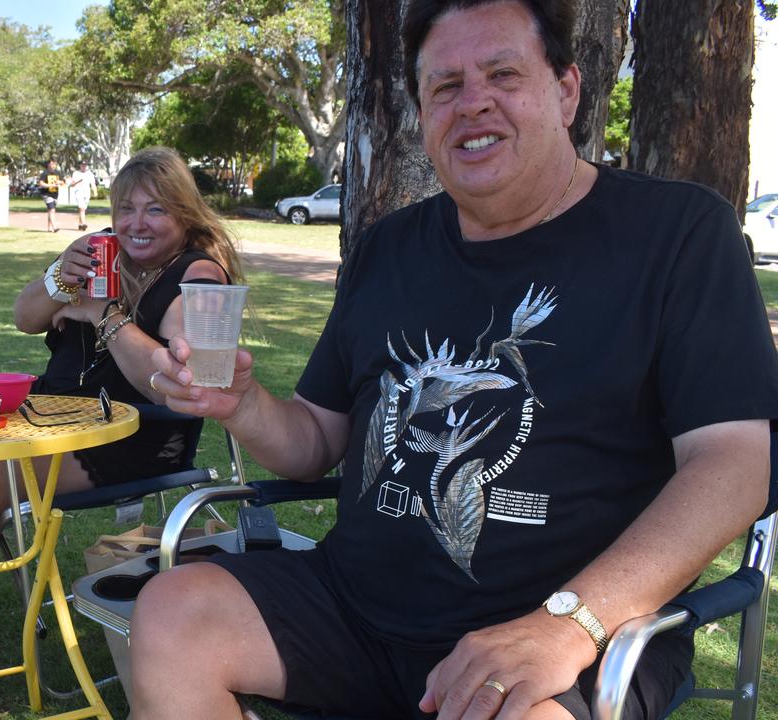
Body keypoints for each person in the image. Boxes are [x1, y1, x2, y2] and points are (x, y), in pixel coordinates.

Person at [132, 1, 778, 719]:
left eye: (503, 74)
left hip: (564, 626)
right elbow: (314, 442)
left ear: (566, 91)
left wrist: (570, 623)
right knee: (174, 614)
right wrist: (243, 406)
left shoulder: (678, 233)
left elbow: (734, 463)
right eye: (444, 87)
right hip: (356, 609)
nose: (473, 104)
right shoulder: (389, 247)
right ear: (422, 115)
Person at [0, 146, 246, 685]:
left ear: (185, 214)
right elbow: (25, 317)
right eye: (126, 209)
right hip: (53, 418)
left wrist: (100, 313)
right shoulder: (99, 255)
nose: (137, 224)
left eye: (156, 209)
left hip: (131, 433)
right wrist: (58, 278)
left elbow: (165, 383)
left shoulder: (197, 276)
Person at [69, 160, 98, 231]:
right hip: (78, 192)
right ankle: (84, 223)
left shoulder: (89, 174)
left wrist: (95, 192)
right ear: (80, 165)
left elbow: (93, 184)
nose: (84, 166)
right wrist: (77, 182)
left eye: (85, 165)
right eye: (82, 165)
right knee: (82, 208)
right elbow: (72, 184)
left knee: (83, 209)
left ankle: (80, 224)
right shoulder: (76, 173)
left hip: (86, 193)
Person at [38, 159, 64, 232]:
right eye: (52, 164)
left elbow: (63, 182)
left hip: (55, 194)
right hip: (46, 194)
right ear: (48, 164)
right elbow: (41, 183)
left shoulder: (58, 173)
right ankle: (54, 227)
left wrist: (60, 182)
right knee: (52, 210)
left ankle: (49, 228)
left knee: (50, 210)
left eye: (55, 164)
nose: (54, 165)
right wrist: (50, 185)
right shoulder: (45, 173)